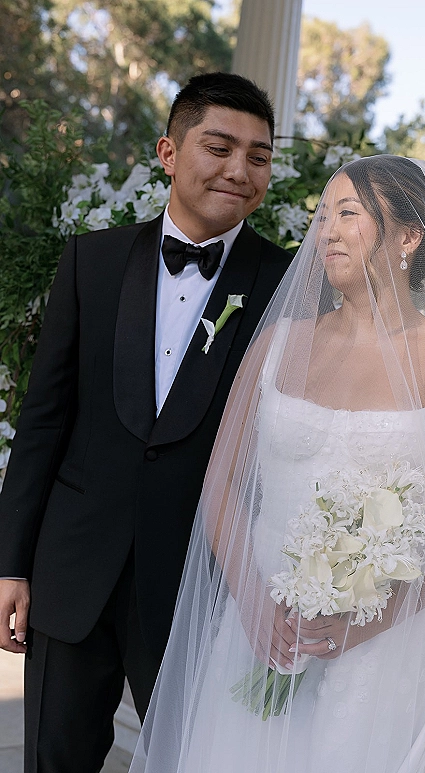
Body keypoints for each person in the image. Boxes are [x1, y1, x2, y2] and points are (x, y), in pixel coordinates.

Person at [130, 155, 425, 773]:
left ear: (409, 238)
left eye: (348, 214)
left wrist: (365, 623)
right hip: (261, 632)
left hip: (386, 650)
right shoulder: (276, 345)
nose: (326, 232)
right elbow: (221, 484)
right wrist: (254, 604)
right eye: (321, 215)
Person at [0, 72, 290, 772]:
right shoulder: (90, 263)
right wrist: (9, 561)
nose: (239, 169)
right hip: (71, 574)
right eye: (218, 146)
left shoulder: (288, 284)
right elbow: (44, 419)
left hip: (201, 585)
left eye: (258, 155)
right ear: (168, 151)